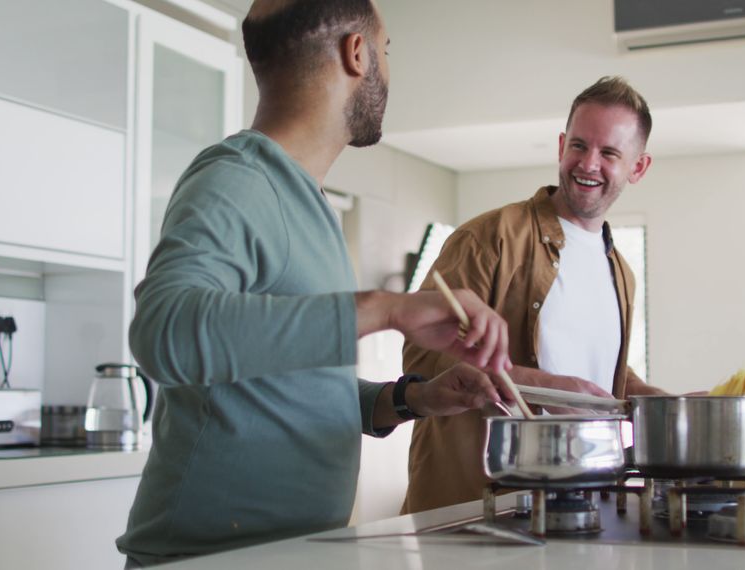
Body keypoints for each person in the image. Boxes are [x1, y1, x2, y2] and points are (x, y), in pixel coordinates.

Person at [116, 0, 515, 565]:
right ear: (357, 53)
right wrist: (385, 308)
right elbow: (164, 334)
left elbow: (287, 393)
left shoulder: (308, 203)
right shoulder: (236, 178)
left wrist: (415, 397)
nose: (388, 69)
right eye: (387, 50)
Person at [401, 76, 666, 514]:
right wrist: (551, 389)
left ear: (638, 167)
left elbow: (596, 372)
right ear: (562, 145)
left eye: (609, 153)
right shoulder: (488, 237)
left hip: (579, 506)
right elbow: (424, 360)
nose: (588, 163)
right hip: (476, 507)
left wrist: (661, 402)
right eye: (579, 145)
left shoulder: (622, 272)